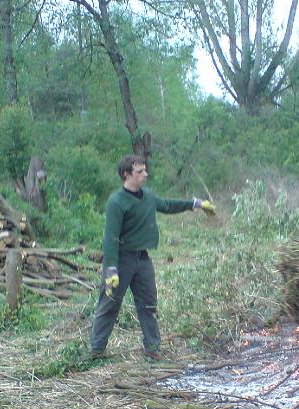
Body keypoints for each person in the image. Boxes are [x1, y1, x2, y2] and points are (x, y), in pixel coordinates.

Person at [90, 154, 216, 361]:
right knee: (110, 303)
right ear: (126, 175)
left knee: (148, 304)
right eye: (139, 172)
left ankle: (152, 348)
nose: (145, 174)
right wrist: (111, 268)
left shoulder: (147, 196)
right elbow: (110, 237)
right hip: (122, 260)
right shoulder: (117, 202)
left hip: (143, 260)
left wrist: (196, 203)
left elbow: (167, 205)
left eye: (145, 170)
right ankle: (96, 350)